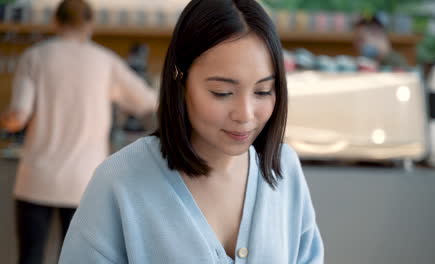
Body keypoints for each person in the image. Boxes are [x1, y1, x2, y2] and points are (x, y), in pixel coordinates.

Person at [59, 0, 324, 263]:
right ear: (180, 80)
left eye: (262, 91)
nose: (245, 114)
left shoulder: (284, 169)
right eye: (222, 92)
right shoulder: (119, 182)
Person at [0, 0, 156, 263]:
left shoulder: (34, 57)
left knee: (30, 256)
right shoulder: (105, 61)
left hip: (36, 179)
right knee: (76, 258)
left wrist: (6, 121)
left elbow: (18, 117)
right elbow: (148, 101)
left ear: (56, 22)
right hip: (84, 184)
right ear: (90, 25)